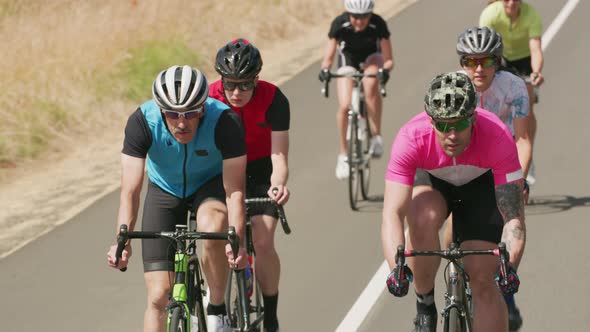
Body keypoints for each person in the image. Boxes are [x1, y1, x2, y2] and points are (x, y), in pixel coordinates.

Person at [106, 65, 248, 332]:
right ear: (161, 110)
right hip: (165, 189)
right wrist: (121, 242)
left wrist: (236, 241)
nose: (182, 123)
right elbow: (130, 190)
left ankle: (217, 309)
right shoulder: (141, 122)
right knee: (159, 295)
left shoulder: (225, 122)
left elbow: (235, 191)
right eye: (172, 113)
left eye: (191, 112)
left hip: (211, 185)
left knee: (212, 226)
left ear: (203, 108)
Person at [382, 72, 526, 332]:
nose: (452, 134)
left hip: (481, 185)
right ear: (430, 121)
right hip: (434, 181)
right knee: (421, 215)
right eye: (443, 125)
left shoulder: (497, 136)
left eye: (460, 124)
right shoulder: (411, 138)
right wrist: (396, 268)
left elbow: (513, 217)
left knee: (483, 277)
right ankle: (424, 303)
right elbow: (392, 212)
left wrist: (509, 267)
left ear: (474, 117)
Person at [209, 38, 290, 332]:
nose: (236, 92)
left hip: (259, 171)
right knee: (215, 232)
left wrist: (278, 184)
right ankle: (214, 300)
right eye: (230, 84)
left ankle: (270, 313)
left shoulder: (274, 98)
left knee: (265, 240)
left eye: (245, 84)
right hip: (219, 169)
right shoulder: (208, 98)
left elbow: (279, 155)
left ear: (257, 79)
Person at [318, 0, 394, 179]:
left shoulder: (378, 23)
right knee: (344, 106)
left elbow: (389, 58)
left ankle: (376, 136)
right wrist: (325, 70)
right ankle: (343, 155)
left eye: (364, 17)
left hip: (372, 58)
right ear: (348, 14)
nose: (359, 21)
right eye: (355, 17)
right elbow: (328, 57)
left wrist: (385, 71)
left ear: (370, 14)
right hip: (348, 59)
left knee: (370, 85)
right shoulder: (339, 24)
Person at [480, 0, 544, 184]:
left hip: (524, 59)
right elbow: (483, 48)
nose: (511, 3)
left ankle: (527, 158)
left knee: (527, 104)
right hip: (500, 58)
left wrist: (536, 72)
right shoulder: (490, 14)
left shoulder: (531, 15)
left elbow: (536, 49)